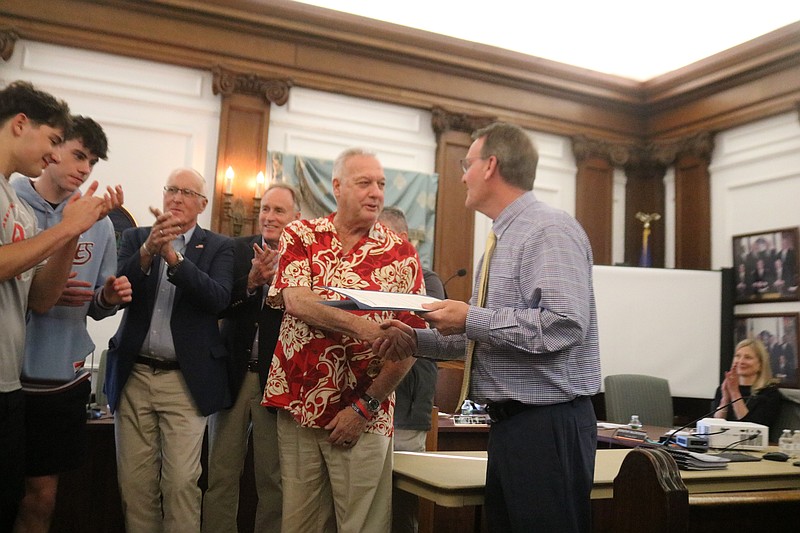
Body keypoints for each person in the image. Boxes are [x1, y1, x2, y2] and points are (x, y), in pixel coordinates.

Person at [381, 122, 601, 533]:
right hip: (514, 427)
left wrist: (470, 316)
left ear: (491, 166)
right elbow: (487, 341)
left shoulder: (547, 230)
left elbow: (563, 326)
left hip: (547, 426)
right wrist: (415, 340)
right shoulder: (503, 238)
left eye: (468, 163)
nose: (462, 174)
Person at [262, 148, 425, 533]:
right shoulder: (302, 235)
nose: (376, 193)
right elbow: (296, 300)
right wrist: (366, 328)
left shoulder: (401, 254)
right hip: (299, 406)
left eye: (381, 184)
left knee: (362, 526)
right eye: (364, 182)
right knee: (299, 524)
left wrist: (364, 407)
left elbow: (411, 341)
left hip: (365, 415)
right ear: (337, 186)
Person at [0, 80, 119, 533]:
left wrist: (104, 294)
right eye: (62, 147)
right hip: (14, 372)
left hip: (46, 377)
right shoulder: (19, 203)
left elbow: (45, 299)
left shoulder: (85, 220)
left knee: (34, 495)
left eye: (91, 162)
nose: (76, 166)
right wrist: (66, 230)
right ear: (21, 125)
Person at [104, 168, 234, 533]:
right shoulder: (135, 237)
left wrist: (174, 259)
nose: (176, 197)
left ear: (202, 204)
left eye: (186, 192)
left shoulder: (219, 246)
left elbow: (218, 298)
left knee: (180, 484)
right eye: (171, 190)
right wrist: (149, 251)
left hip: (184, 381)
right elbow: (117, 287)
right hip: (135, 376)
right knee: (135, 486)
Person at [203, 183, 301, 533]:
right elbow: (218, 303)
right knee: (220, 473)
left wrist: (279, 284)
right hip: (232, 376)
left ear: (296, 218)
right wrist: (250, 281)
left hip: (275, 382)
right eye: (266, 210)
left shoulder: (302, 261)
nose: (269, 217)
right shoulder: (236, 249)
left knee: (273, 480)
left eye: (279, 211)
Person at [377, 206, 443, 533]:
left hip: (406, 408)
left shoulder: (427, 280)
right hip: (373, 408)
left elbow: (412, 339)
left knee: (402, 507)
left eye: (380, 235)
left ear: (401, 239)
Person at [712, 338, 781, 428]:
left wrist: (735, 393)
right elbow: (714, 427)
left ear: (760, 365)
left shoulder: (769, 394)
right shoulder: (722, 389)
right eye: (737, 356)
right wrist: (725, 399)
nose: (741, 361)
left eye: (748, 357)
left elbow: (752, 430)